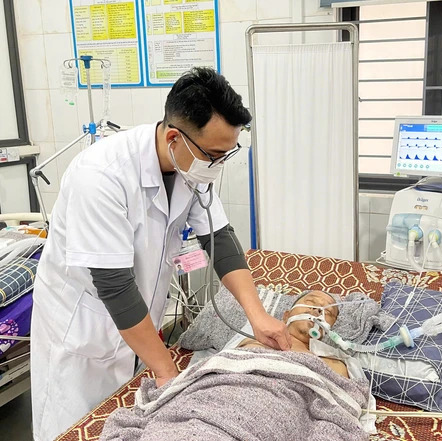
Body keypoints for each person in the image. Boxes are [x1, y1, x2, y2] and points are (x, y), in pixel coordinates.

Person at [30, 67, 292, 441]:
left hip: (137, 323)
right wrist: (168, 372)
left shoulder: (191, 167)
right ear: (174, 137)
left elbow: (220, 239)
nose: (218, 165)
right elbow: (114, 286)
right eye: (214, 155)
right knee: (77, 427)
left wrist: (258, 317)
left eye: (226, 155)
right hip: (86, 330)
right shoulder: (100, 176)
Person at [232, 290, 348, 377]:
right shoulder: (255, 341)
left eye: (328, 312)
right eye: (310, 302)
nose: (318, 310)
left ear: (328, 331)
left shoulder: (335, 365)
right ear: (286, 316)